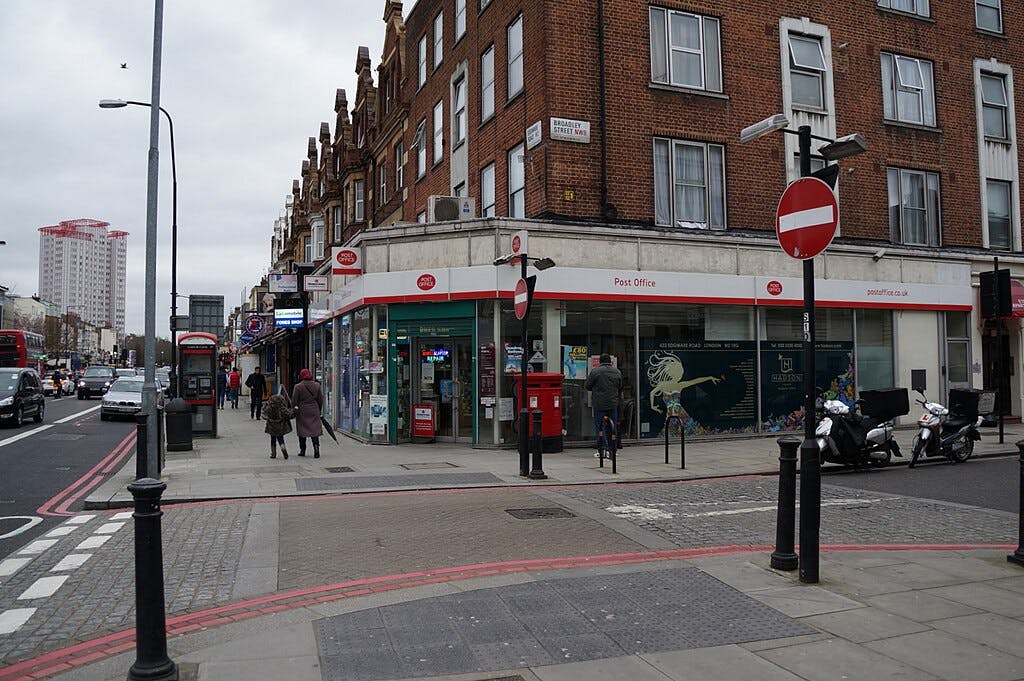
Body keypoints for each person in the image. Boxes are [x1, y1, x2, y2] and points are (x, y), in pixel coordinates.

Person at [647, 351, 720, 436]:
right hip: (676, 414)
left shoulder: (666, 385)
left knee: (681, 432)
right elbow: (694, 381)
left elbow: (652, 393)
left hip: (679, 414)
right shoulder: (678, 385)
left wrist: (653, 406)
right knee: (677, 431)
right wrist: (709, 378)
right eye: (680, 373)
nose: (681, 375)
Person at [585, 353, 622, 457]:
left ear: (600, 361)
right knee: (612, 427)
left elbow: (587, 386)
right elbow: (620, 386)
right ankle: (613, 450)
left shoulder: (595, 371)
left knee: (600, 427)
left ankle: (603, 450)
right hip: (613, 403)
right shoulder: (617, 371)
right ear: (610, 361)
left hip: (599, 404)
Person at [291, 368, 324, 458]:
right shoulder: (317, 385)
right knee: (314, 431)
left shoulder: (298, 386)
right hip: (314, 410)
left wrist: (295, 408)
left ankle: (302, 450)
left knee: (302, 431)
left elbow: (294, 400)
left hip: (302, 411)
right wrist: (319, 409)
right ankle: (316, 449)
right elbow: (320, 399)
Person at [263, 388, 293, 459]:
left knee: (272, 440)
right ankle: (283, 449)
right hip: (280, 426)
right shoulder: (281, 408)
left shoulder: (269, 407)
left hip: (271, 426)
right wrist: (294, 410)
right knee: (280, 439)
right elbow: (288, 414)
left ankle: (273, 454)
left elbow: (264, 412)